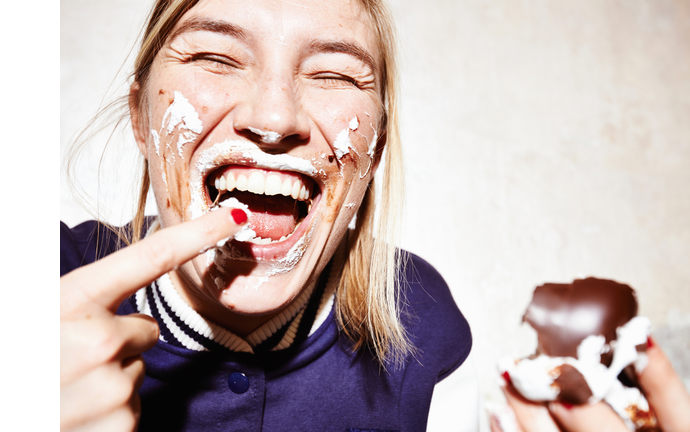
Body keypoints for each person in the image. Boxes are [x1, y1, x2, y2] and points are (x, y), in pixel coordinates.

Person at [60, 0, 473, 430]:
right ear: (140, 117)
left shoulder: (425, 323)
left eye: (335, 75)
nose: (274, 119)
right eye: (214, 58)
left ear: (377, 150)